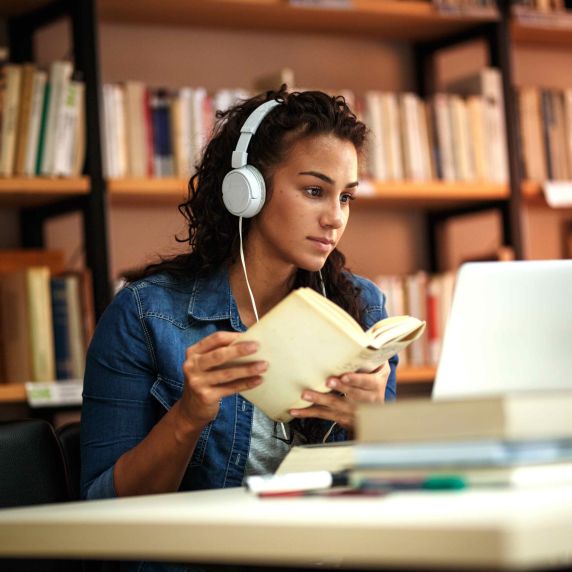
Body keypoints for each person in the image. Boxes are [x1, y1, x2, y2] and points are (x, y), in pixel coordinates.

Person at [80, 87, 398, 570]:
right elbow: (101, 513)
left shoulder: (364, 309)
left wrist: (376, 429)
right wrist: (188, 416)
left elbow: (387, 500)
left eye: (346, 196)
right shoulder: (145, 315)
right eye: (315, 191)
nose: (335, 218)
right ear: (246, 189)